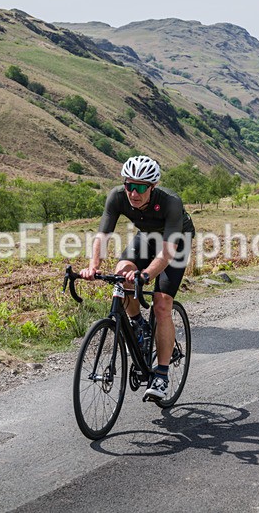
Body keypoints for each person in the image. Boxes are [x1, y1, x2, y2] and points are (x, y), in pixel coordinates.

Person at [80, 155, 195, 401]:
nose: (134, 192)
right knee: (121, 275)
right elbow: (102, 236)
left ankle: (161, 376)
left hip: (175, 242)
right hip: (147, 238)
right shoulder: (117, 196)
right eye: (129, 185)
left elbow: (166, 253)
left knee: (162, 303)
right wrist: (92, 266)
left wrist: (145, 275)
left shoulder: (170, 202)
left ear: (152, 187)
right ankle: (138, 324)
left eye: (141, 187)